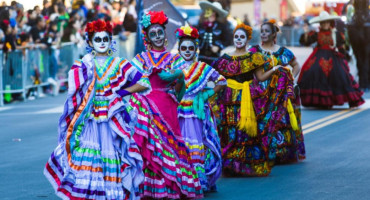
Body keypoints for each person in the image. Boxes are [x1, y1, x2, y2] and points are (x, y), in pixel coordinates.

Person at [43, 19, 146, 200]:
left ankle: (110, 194)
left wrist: (121, 92)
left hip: (112, 119)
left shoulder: (119, 64)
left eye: (105, 39)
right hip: (90, 118)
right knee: (88, 156)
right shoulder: (84, 64)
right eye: (97, 40)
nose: (102, 43)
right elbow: (74, 90)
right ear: (90, 43)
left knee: (113, 155)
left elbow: (144, 82)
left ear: (110, 41)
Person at [129, 11, 203, 199]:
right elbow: (132, 83)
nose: (158, 37)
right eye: (153, 34)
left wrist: (178, 78)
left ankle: (172, 187)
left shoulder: (174, 59)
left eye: (160, 32)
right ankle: (149, 189)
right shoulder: (140, 59)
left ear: (165, 33)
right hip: (146, 107)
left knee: (170, 144)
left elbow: (180, 91)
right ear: (147, 37)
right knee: (150, 147)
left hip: (167, 106)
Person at [211, 22, 274, 176]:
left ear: (247, 40)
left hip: (248, 98)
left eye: (242, 37)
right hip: (228, 99)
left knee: (245, 131)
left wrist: (275, 70)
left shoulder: (254, 58)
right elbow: (216, 78)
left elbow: (260, 77)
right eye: (236, 37)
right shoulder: (224, 59)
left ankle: (246, 165)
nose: (239, 39)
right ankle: (230, 165)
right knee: (229, 130)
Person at [176, 24, 226, 191]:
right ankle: (183, 181)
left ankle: (197, 181)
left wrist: (206, 95)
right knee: (179, 144)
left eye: (191, 47)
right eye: (184, 48)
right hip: (178, 112)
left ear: (196, 49)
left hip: (197, 112)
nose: (187, 51)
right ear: (179, 49)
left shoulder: (202, 68)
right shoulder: (173, 67)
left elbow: (221, 81)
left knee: (197, 143)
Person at [250, 19, 306, 164]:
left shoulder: (283, 51)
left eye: (267, 31)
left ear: (274, 33)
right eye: (261, 31)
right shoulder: (254, 51)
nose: (263, 34)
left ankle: (281, 153)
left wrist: (290, 79)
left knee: (281, 120)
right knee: (262, 121)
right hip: (261, 93)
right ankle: (263, 153)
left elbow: (296, 65)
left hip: (279, 93)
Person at [298, 11, 364, 108]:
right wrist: (306, 34)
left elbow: (341, 47)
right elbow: (306, 42)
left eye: (326, 22)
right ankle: (320, 102)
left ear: (330, 23)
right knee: (312, 71)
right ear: (320, 24)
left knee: (340, 74)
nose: (325, 24)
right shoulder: (316, 34)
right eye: (323, 22)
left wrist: (344, 58)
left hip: (333, 57)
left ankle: (346, 99)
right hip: (318, 55)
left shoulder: (336, 34)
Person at [197, 1, 229, 65]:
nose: (212, 14)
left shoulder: (221, 27)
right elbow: (197, 38)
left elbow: (227, 41)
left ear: (217, 14)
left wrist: (218, 47)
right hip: (201, 57)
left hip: (215, 58)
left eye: (214, 13)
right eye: (211, 11)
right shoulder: (201, 26)